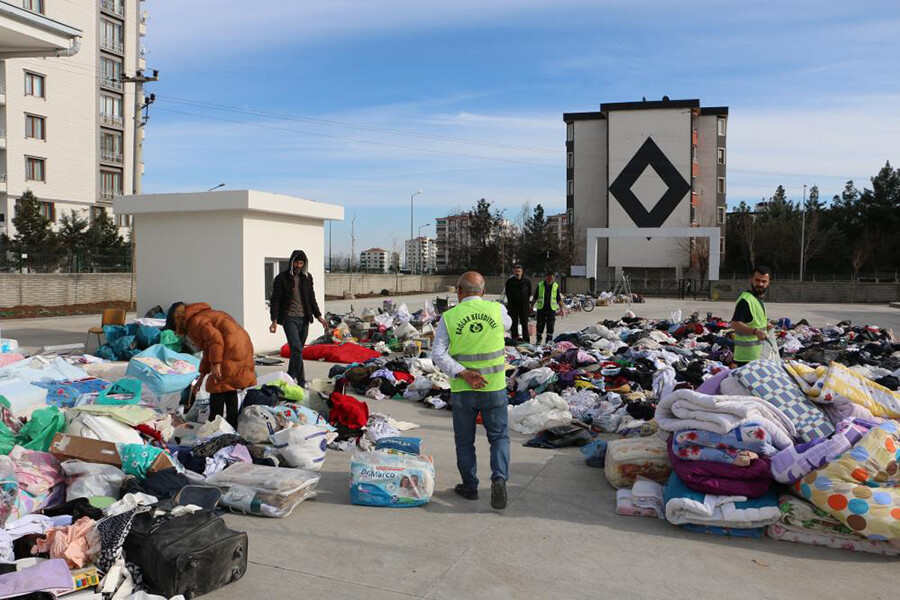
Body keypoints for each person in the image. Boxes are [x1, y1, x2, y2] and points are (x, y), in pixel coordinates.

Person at [433, 271, 512, 510]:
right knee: (499, 437)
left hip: (463, 389)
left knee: (465, 441)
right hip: (494, 387)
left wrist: (463, 372)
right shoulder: (498, 311)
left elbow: (438, 354)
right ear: (484, 292)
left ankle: (470, 486)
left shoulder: (449, 317)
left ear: (458, 291)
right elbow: (507, 326)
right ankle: (499, 477)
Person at [171, 302, 257, 429]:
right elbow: (208, 349)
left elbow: (215, 342)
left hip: (231, 347)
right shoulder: (203, 316)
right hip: (241, 345)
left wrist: (216, 364)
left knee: (217, 386)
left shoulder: (195, 323)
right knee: (229, 385)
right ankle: (231, 425)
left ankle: (214, 424)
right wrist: (201, 377)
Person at [269, 250, 328, 386]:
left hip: (304, 319)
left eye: (301, 263)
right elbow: (275, 300)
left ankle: (290, 375)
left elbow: (311, 298)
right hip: (289, 318)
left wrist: (319, 316)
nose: (298, 265)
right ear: (291, 262)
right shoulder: (281, 278)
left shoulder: (307, 278)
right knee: (296, 349)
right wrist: (274, 320)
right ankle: (301, 381)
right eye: (296, 262)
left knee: (297, 351)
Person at [731, 265, 772, 365]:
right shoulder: (746, 300)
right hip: (746, 359)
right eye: (757, 280)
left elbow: (752, 321)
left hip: (757, 356)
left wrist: (765, 326)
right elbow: (735, 323)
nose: (760, 284)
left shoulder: (757, 299)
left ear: (768, 282)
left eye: (764, 281)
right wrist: (755, 331)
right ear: (751, 280)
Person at [531, 271, 562, 345]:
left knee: (550, 327)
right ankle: (538, 339)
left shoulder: (555, 286)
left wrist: (562, 308)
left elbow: (558, 299)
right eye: (548, 276)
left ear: (554, 278)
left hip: (551, 310)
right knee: (540, 326)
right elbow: (535, 297)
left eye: (551, 276)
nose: (550, 278)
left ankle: (548, 342)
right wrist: (531, 306)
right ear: (546, 277)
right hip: (541, 309)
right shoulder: (540, 285)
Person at [504, 264, 532, 343]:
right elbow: (507, 293)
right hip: (513, 307)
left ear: (522, 272)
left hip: (524, 307)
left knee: (524, 325)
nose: (517, 273)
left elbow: (529, 293)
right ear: (513, 272)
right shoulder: (509, 282)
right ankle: (514, 340)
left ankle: (526, 341)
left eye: (519, 271)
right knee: (514, 325)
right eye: (516, 271)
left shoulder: (527, 281)